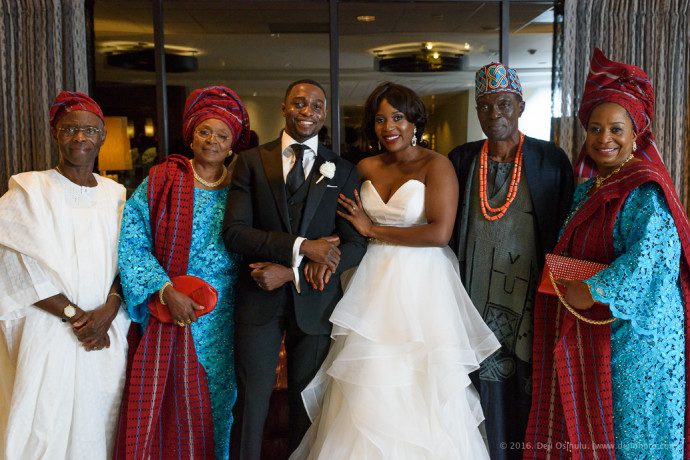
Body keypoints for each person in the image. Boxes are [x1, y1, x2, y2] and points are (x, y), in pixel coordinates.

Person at [291, 82, 501, 459]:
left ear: (414, 120)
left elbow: (439, 232)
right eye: (381, 119)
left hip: (421, 284)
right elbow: (344, 221)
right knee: (369, 377)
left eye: (398, 117)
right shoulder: (365, 167)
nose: (389, 126)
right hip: (371, 283)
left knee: (419, 377)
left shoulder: (436, 165)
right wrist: (333, 246)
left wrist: (372, 230)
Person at [525, 48, 690, 460]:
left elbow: (652, 260)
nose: (604, 139)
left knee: (636, 433)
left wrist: (595, 288)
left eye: (616, 129)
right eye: (595, 129)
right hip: (599, 329)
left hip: (642, 338)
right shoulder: (586, 190)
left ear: (637, 134)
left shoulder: (645, 189)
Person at [222, 79, 367, 459]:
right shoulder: (251, 162)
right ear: (284, 108)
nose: (308, 111)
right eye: (299, 103)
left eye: (317, 105)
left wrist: (295, 270)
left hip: (316, 304)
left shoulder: (343, 169)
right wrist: (304, 248)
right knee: (251, 401)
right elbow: (235, 234)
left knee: (307, 403)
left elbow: (354, 244)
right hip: (258, 299)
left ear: (324, 113)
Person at [115, 86, 250, 459]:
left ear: (233, 143)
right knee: (168, 404)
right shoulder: (163, 179)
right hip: (169, 310)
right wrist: (163, 291)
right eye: (205, 131)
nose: (212, 140)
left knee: (220, 404)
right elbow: (132, 240)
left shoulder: (243, 186)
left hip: (227, 317)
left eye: (222, 135)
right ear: (191, 134)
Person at [447, 62, 574, 459]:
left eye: (504, 104)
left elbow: (565, 233)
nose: (494, 114)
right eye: (484, 106)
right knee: (476, 390)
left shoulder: (549, 159)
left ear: (519, 105)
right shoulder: (462, 158)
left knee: (525, 387)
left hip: (529, 300)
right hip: (472, 296)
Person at [0, 91, 130, 458]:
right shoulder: (29, 189)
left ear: (102, 135)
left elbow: (130, 260)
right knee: (44, 425)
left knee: (101, 420)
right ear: (55, 133)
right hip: (49, 329)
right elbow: (13, 267)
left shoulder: (116, 194)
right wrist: (75, 316)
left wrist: (107, 312)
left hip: (106, 330)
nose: (79, 138)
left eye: (88, 130)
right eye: (70, 129)